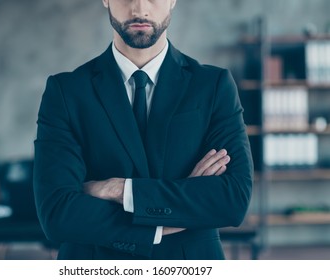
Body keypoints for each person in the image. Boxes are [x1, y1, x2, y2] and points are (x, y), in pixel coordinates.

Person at [33, 0, 253, 260]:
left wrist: (120, 190)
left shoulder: (214, 85)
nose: (139, 8)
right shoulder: (66, 91)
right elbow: (58, 214)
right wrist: (178, 212)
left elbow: (232, 199)